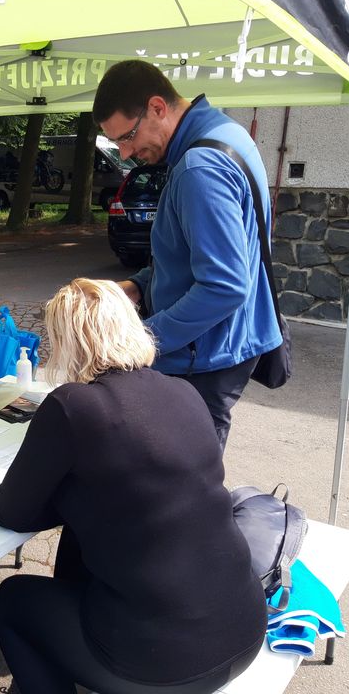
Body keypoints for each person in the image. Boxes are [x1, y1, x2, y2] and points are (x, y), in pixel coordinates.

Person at [0, 278, 266, 694]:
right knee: (82, 539)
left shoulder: (73, 405)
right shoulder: (184, 391)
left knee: (13, 600)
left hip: (164, 664)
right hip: (244, 630)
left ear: (66, 341)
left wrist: (63, 494)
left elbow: (11, 513)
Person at [92, 60, 282, 451]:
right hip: (220, 347)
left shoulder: (199, 167)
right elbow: (195, 254)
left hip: (205, 358)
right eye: (117, 143)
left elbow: (225, 286)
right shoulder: (223, 133)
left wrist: (141, 339)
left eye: (127, 136)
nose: (126, 153)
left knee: (180, 477)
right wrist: (137, 286)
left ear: (157, 107)